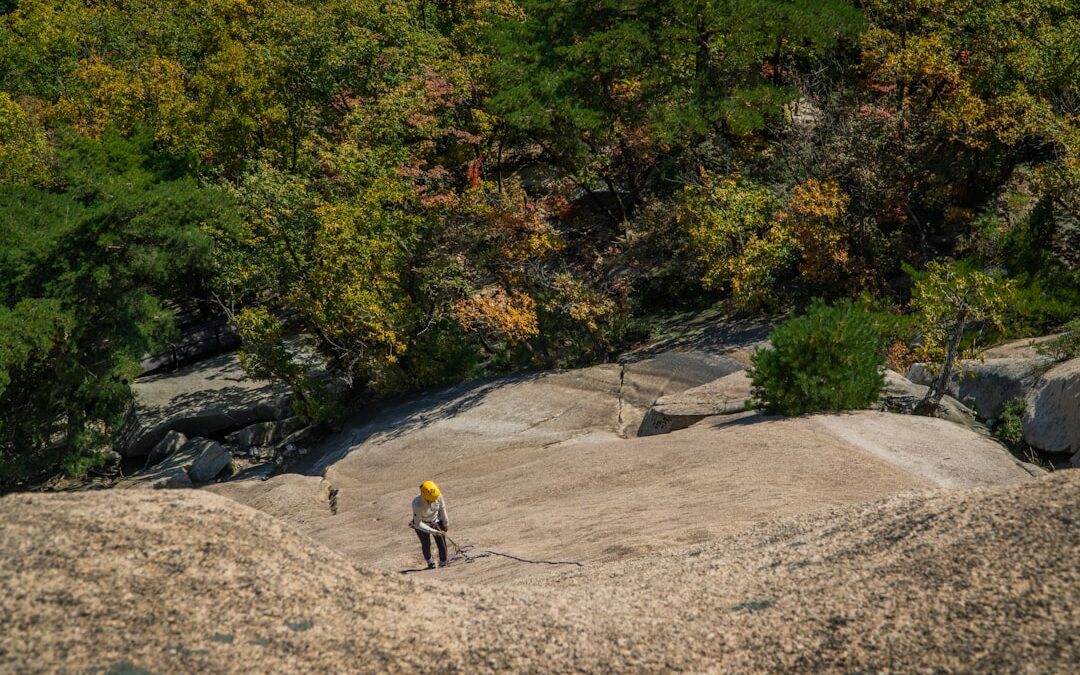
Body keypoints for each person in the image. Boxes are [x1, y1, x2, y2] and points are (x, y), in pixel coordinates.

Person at [411, 480, 450, 569]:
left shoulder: (437, 496)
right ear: (425, 497)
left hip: (435, 521)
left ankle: (443, 562)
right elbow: (418, 523)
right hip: (422, 524)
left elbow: (442, 509)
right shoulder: (417, 504)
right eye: (431, 500)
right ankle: (430, 562)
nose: (434, 501)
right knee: (426, 544)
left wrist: (445, 524)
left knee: (442, 544)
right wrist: (434, 531)